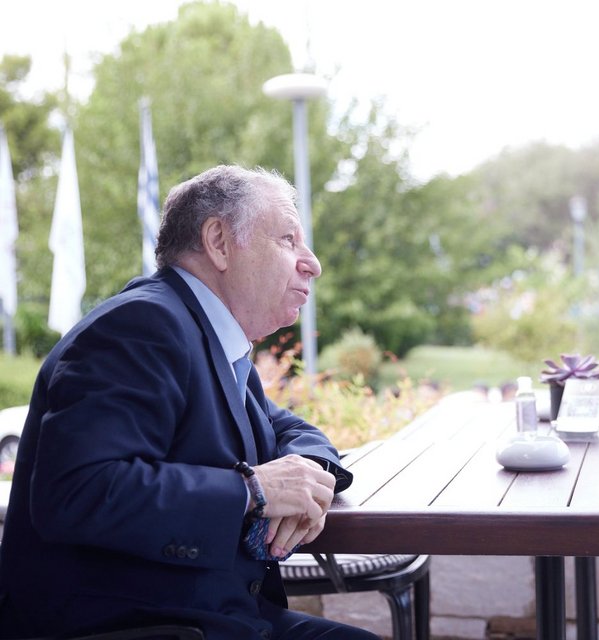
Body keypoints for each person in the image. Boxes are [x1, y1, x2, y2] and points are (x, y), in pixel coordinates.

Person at [0, 165, 378, 640]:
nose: (312, 264)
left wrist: (307, 472)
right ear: (219, 242)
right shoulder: (141, 327)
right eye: (288, 239)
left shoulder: (210, 337)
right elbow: (77, 492)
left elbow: (289, 429)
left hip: (206, 614)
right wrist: (253, 491)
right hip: (134, 626)